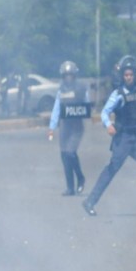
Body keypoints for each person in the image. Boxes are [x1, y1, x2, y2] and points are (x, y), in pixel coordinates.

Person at [82, 56, 136, 217]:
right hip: (123, 138)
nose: (128, 77)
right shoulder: (118, 94)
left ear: (135, 76)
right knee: (112, 169)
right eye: (126, 75)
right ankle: (89, 201)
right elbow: (105, 112)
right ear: (122, 76)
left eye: (131, 75)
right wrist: (108, 125)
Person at [48, 61, 88, 196]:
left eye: (70, 75)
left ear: (75, 75)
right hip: (65, 125)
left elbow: (87, 104)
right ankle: (70, 187)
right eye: (66, 75)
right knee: (64, 155)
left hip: (76, 126)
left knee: (71, 152)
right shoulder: (61, 90)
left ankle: (81, 177)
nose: (68, 78)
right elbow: (56, 108)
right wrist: (52, 126)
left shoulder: (81, 89)